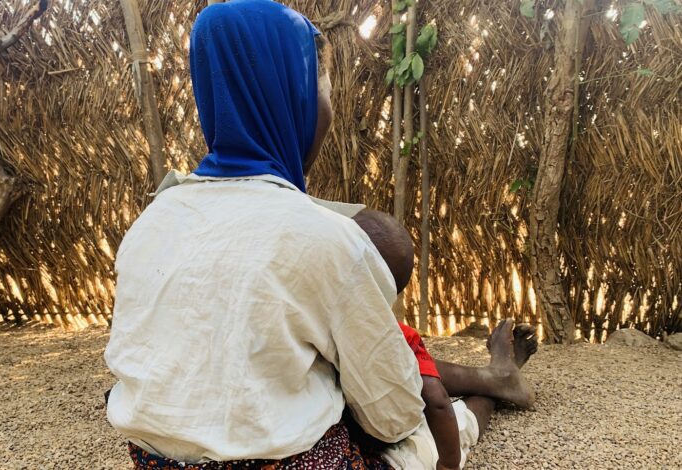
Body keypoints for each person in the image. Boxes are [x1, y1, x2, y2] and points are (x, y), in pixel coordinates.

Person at [104, 1, 535, 468]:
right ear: (296, 101)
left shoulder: (150, 223)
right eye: (323, 92)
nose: (327, 110)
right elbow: (392, 415)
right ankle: (490, 392)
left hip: (151, 463)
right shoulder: (325, 238)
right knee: (423, 439)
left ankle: (495, 377)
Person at [350, 209, 538, 469]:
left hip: (380, 441)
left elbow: (435, 399)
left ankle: (499, 379)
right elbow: (436, 401)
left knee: (456, 416)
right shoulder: (394, 335)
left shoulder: (316, 315)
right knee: (458, 421)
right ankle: (499, 380)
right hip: (383, 443)